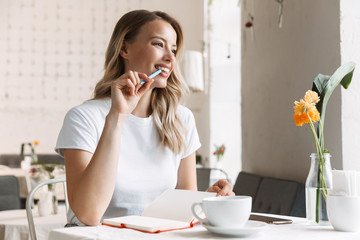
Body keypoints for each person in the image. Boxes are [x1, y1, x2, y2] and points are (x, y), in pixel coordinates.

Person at [55, 9, 234, 226]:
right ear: (124, 48)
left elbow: (185, 211)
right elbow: (88, 215)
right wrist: (117, 116)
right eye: (159, 44)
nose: (170, 57)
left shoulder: (182, 119)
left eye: (174, 49)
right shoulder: (83, 118)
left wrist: (210, 202)